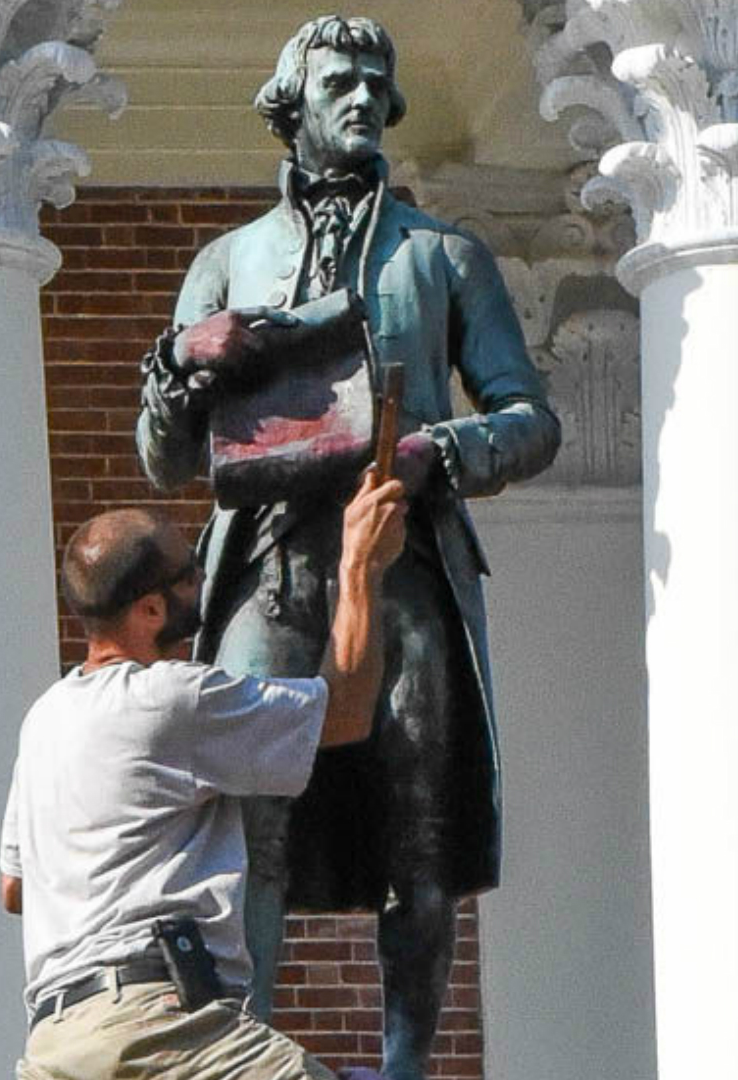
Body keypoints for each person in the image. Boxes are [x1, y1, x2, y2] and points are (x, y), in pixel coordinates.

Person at [135, 15, 560, 1079]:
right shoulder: (230, 263)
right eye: (340, 80)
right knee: (248, 823)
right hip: (269, 568)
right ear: (293, 102)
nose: (365, 96)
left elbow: (530, 416)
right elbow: (162, 459)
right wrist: (183, 368)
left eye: (379, 80)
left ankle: (407, 1065)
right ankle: (244, 1052)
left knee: (420, 837)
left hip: (404, 561)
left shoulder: (441, 253)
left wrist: (441, 448)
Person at [0, 469, 407, 1080]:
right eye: (189, 572)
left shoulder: (46, 719)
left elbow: (14, 888)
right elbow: (345, 710)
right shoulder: (168, 699)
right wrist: (361, 566)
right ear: (150, 609)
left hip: (58, 1043)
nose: (205, 579)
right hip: (158, 1026)